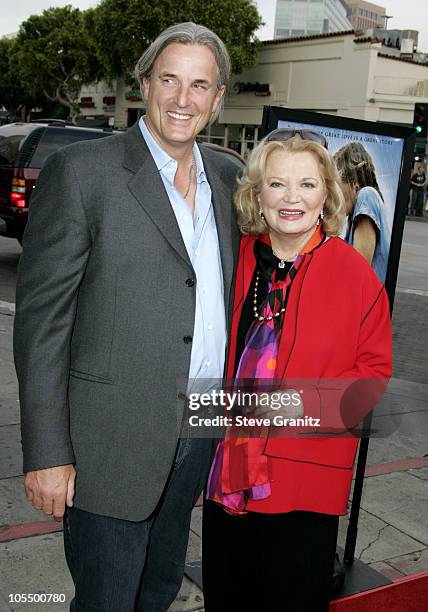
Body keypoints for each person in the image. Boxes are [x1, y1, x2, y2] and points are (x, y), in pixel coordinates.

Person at [14, 22, 240, 612]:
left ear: (218, 99)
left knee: (159, 589)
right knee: (107, 598)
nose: (182, 99)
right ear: (144, 84)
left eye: (199, 85)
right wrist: (45, 452)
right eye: (169, 80)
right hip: (108, 445)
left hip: (198, 432)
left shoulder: (228, 178)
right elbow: (42, 323)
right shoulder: (84, 172)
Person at [202, 129, 392, 612]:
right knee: (228, 599)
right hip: (229, 480)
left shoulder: (355, 275)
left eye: (307, 184)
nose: (292, 198)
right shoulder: (236, 258)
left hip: (306, 484)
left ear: (326, 194)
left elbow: (372, 375)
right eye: (277, 184)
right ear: (257, 195)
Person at [334, 141, 390, 284]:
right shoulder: (362, 205)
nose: (332, 191)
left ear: (353, 181)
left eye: (335, 181)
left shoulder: (366, 196)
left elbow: (358, 272)